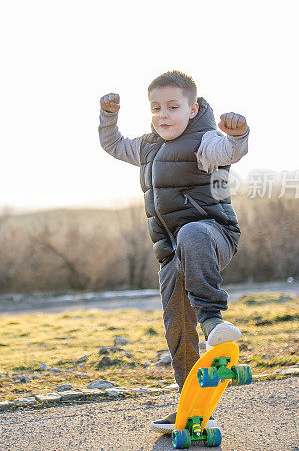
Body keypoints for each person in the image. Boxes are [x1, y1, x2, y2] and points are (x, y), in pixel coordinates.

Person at [97, 70, 249, 434]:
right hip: (171, 254)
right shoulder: (147, 145)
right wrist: (108, 116)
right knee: (177, 327)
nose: (163, 114)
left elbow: (230, 151)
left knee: (192, 232)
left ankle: (213, 319)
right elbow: (114, 144)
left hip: (213, 237)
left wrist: (239, 135)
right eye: (155, 108)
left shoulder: (206, 141)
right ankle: (192, 404)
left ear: (192, 109)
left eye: (172, 107)